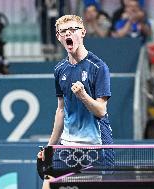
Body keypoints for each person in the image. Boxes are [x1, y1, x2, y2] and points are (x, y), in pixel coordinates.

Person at [37, 15, 113, 189]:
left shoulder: (99, 67)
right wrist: (50, 148)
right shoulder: (59, 70)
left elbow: (101, 111)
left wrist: (83, 96)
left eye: (73, 30)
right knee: (48, 182)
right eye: (63, 31)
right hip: (67, 145)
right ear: (59, 37)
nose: (68, 34)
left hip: (96, 147)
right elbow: (61, 111)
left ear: (83, 33)